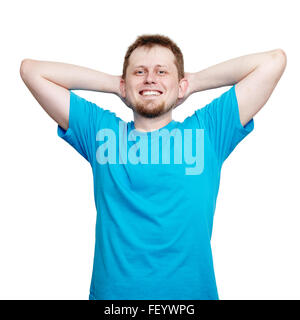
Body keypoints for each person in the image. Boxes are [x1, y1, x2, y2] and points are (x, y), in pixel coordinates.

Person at [20, 34, 287, 300]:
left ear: (180, 85)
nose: (150, 79)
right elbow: (32, 71)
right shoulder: (102, 133)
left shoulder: (206, 132)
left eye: (162, 72)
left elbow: (273, 62)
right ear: (126, 83)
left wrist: (192, 83)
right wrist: (117, 85)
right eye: (140, 72)